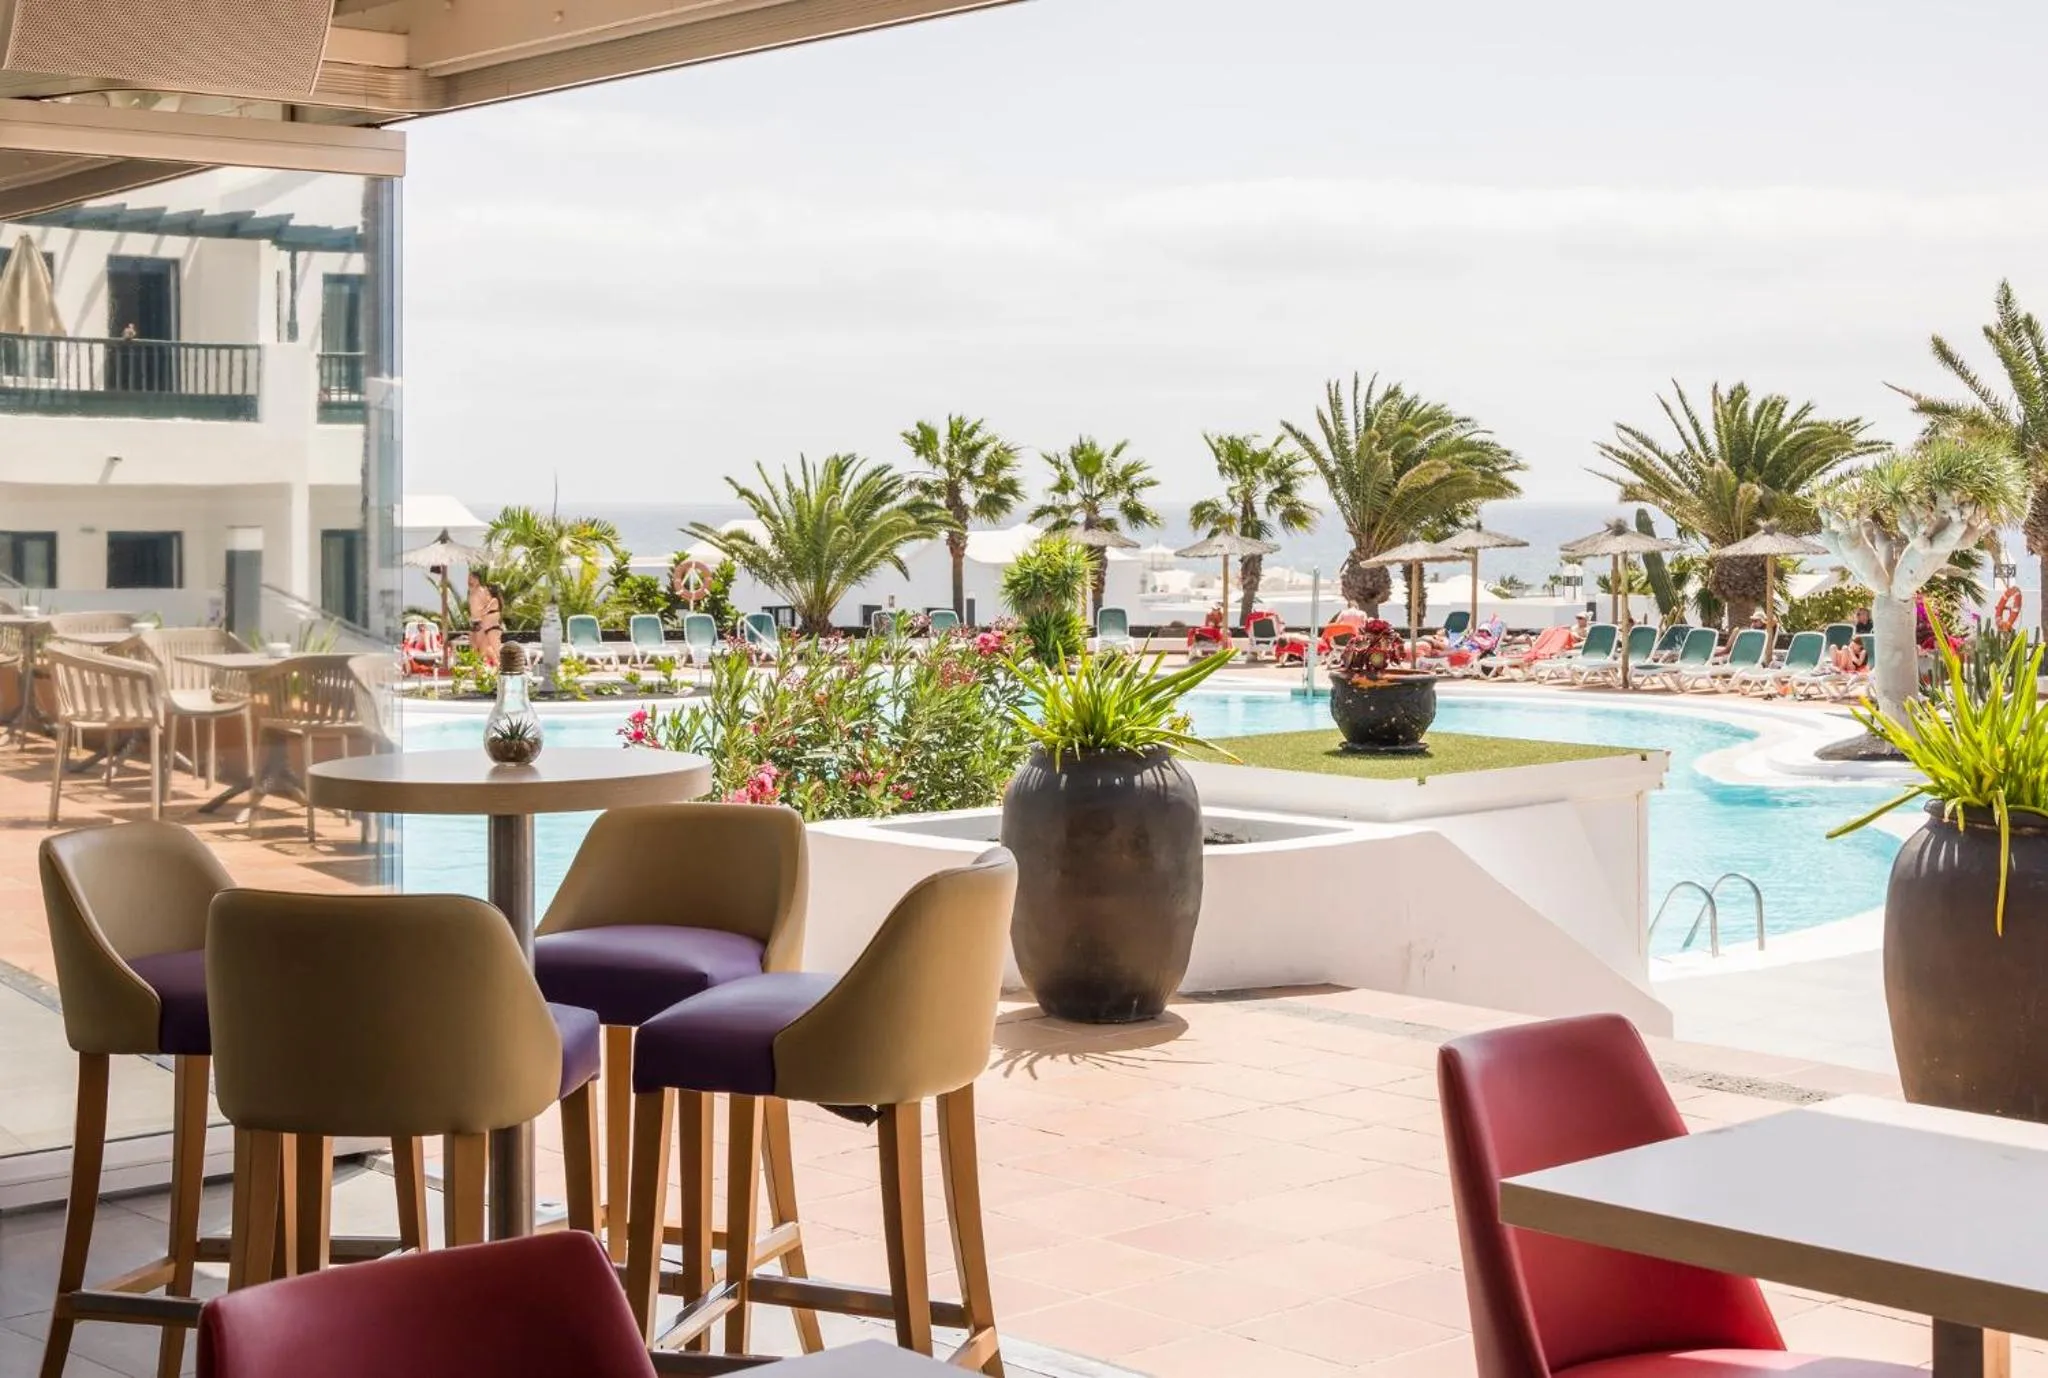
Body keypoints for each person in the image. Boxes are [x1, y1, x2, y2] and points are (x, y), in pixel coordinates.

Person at [467, 570, 503, 667]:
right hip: (474, 623)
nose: (469, 580)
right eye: (468, 578)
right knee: (473, 648)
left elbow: (488, 605)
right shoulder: (471, 592)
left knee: (483, 649)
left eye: (471, 578)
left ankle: (492, 666)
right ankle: (478, 669)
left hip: (481, 623)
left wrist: (484, 615)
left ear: (477, 579)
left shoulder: (483, 591)